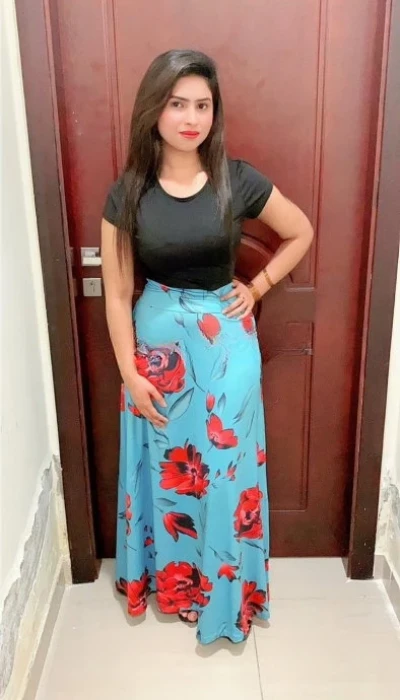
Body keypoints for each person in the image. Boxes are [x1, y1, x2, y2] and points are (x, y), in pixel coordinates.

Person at [101, 48, 313, 646]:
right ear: (155, 110)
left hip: (227, 347)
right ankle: (175, 586)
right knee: (169, 471)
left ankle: (221, 594)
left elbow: (300, 231)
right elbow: (116, 292)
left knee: (222, 470)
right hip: (157, 353)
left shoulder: (237, 180)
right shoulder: (128, 193)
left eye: (203, 105)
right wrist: (129, 372)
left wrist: (259, 285)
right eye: (178, 104)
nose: (191, 118)